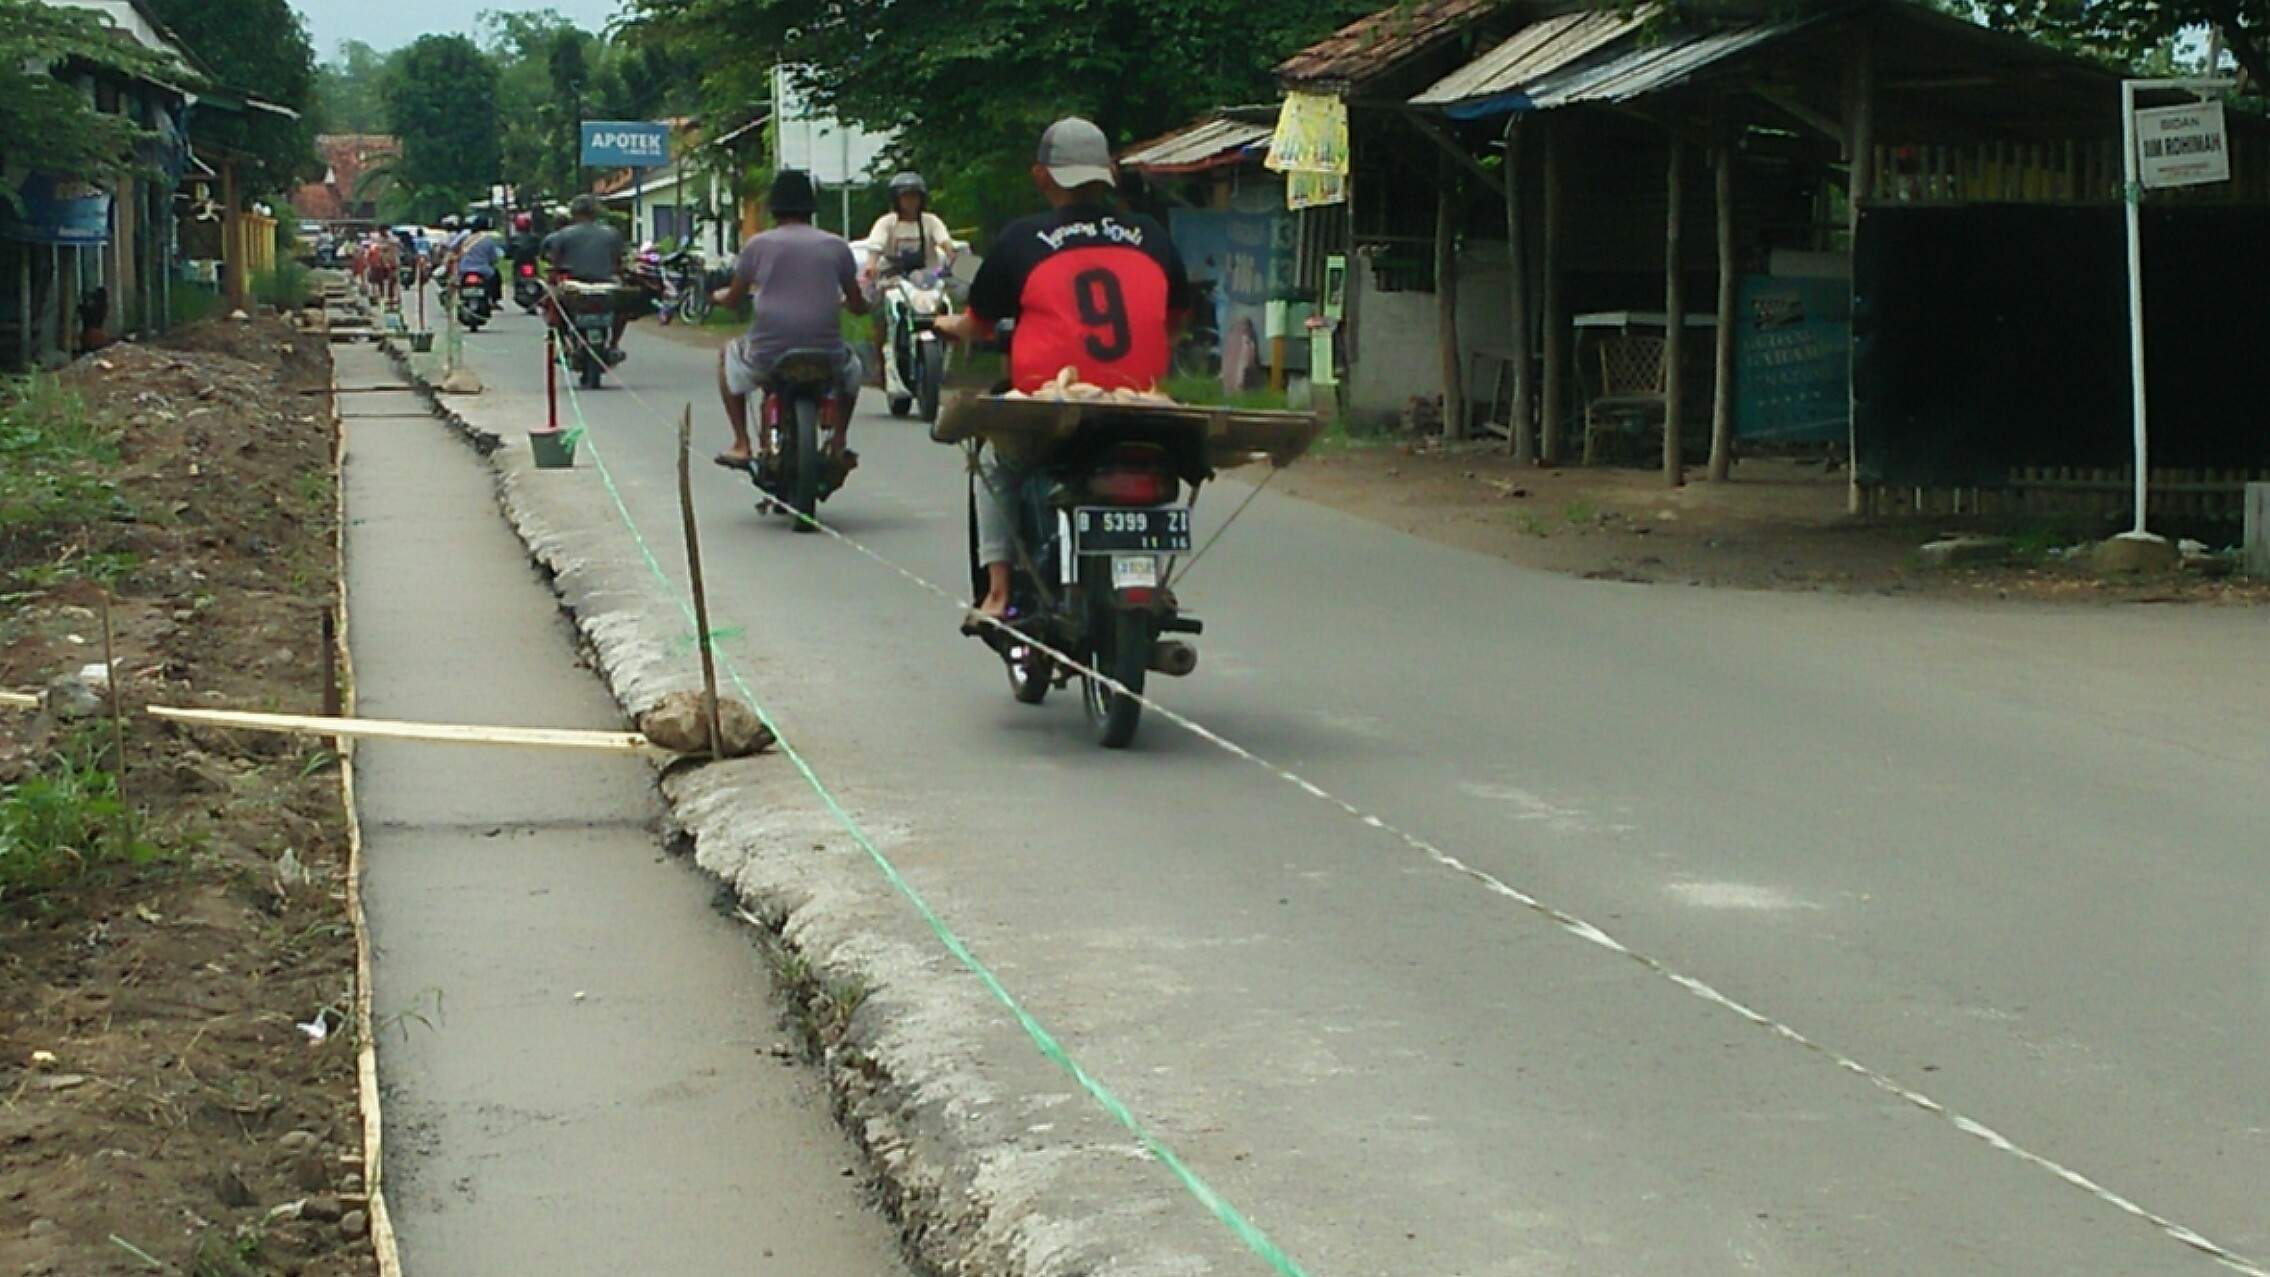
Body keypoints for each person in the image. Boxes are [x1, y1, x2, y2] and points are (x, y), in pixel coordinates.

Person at [934, 117, 1193, 620]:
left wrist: (949, 325)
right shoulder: (1152, 235)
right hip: (1140, 407)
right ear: (1108, 173)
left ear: (1041, 176)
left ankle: (999, 591)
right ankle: (1155, 582)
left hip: (1053, 410)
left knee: (994, 465)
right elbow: (1175, 322)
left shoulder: (1021, 240)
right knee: (1159, 471)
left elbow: (980, 324)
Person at [708, 169, 868, 471]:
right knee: (853, 370)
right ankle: (839, 442)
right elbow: (857, 301)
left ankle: (742, 443)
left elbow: (733, 298)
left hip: (768, 354)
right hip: (827, 355)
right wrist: (858, 306)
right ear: (811, 206)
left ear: (774, 207)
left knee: (726, 354)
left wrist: (717, 297)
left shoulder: (757, 245)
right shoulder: (836, 246)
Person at [857, 170, 957, 356]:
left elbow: (945, 242)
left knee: (946, 306)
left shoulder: (931, 221)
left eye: (914, 196)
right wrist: (871, 264)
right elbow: (876, 246)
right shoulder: (886, 223)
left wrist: (952, 255)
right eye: (905, 197)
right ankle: (880, 358)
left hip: (928, 278)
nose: (910, 201)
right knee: (880, 315)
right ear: (896, 199)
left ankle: (946, 351)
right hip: (893, 278)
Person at [541, 194, 633, 352]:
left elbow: (555, 263)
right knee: (623, 308)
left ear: (574, 213)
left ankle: (564, 345)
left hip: (573, 286)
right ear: (596, 212)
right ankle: (614, 344)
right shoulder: (612, 233)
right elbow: (619, 263)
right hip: (606, 285)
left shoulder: (562, 235)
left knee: (554, 308)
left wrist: (552, 278)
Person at [458, 214, 505, 307]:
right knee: (496, 276)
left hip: (464, 269)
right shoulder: (489, 240)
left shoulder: (467, 239)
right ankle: (494, 300)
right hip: (483, 270)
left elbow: (460, 253)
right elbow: (493, 257)